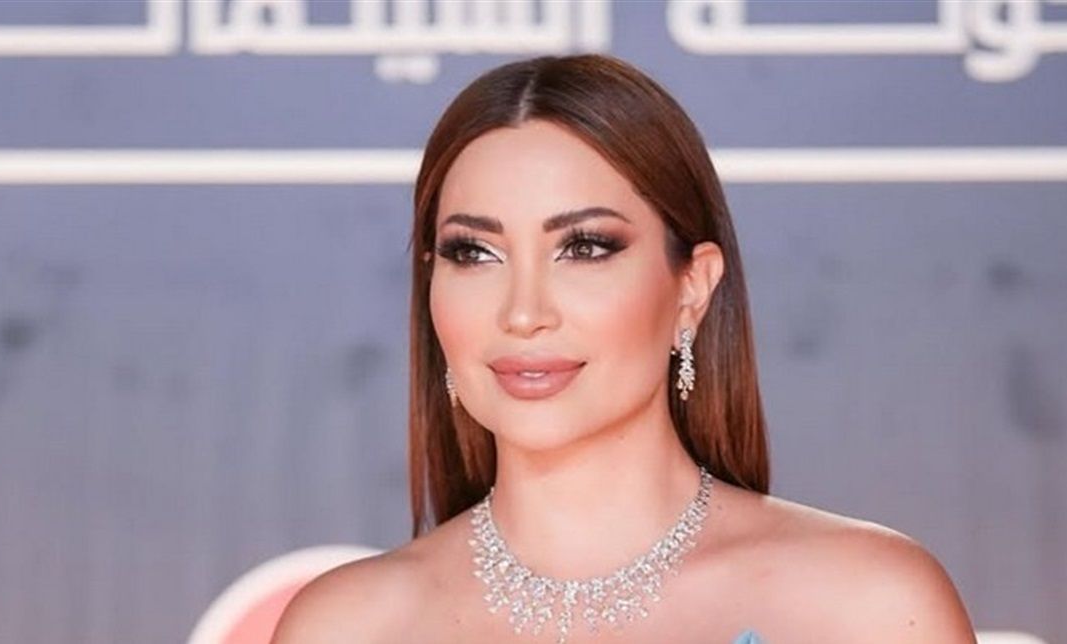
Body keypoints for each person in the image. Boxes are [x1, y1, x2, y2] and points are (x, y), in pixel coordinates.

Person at [272, 54, 976, 643]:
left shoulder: (867, 607)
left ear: (692, 287)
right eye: (475, 253)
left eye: (584, 247)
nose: (523, 313)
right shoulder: (347, 627)